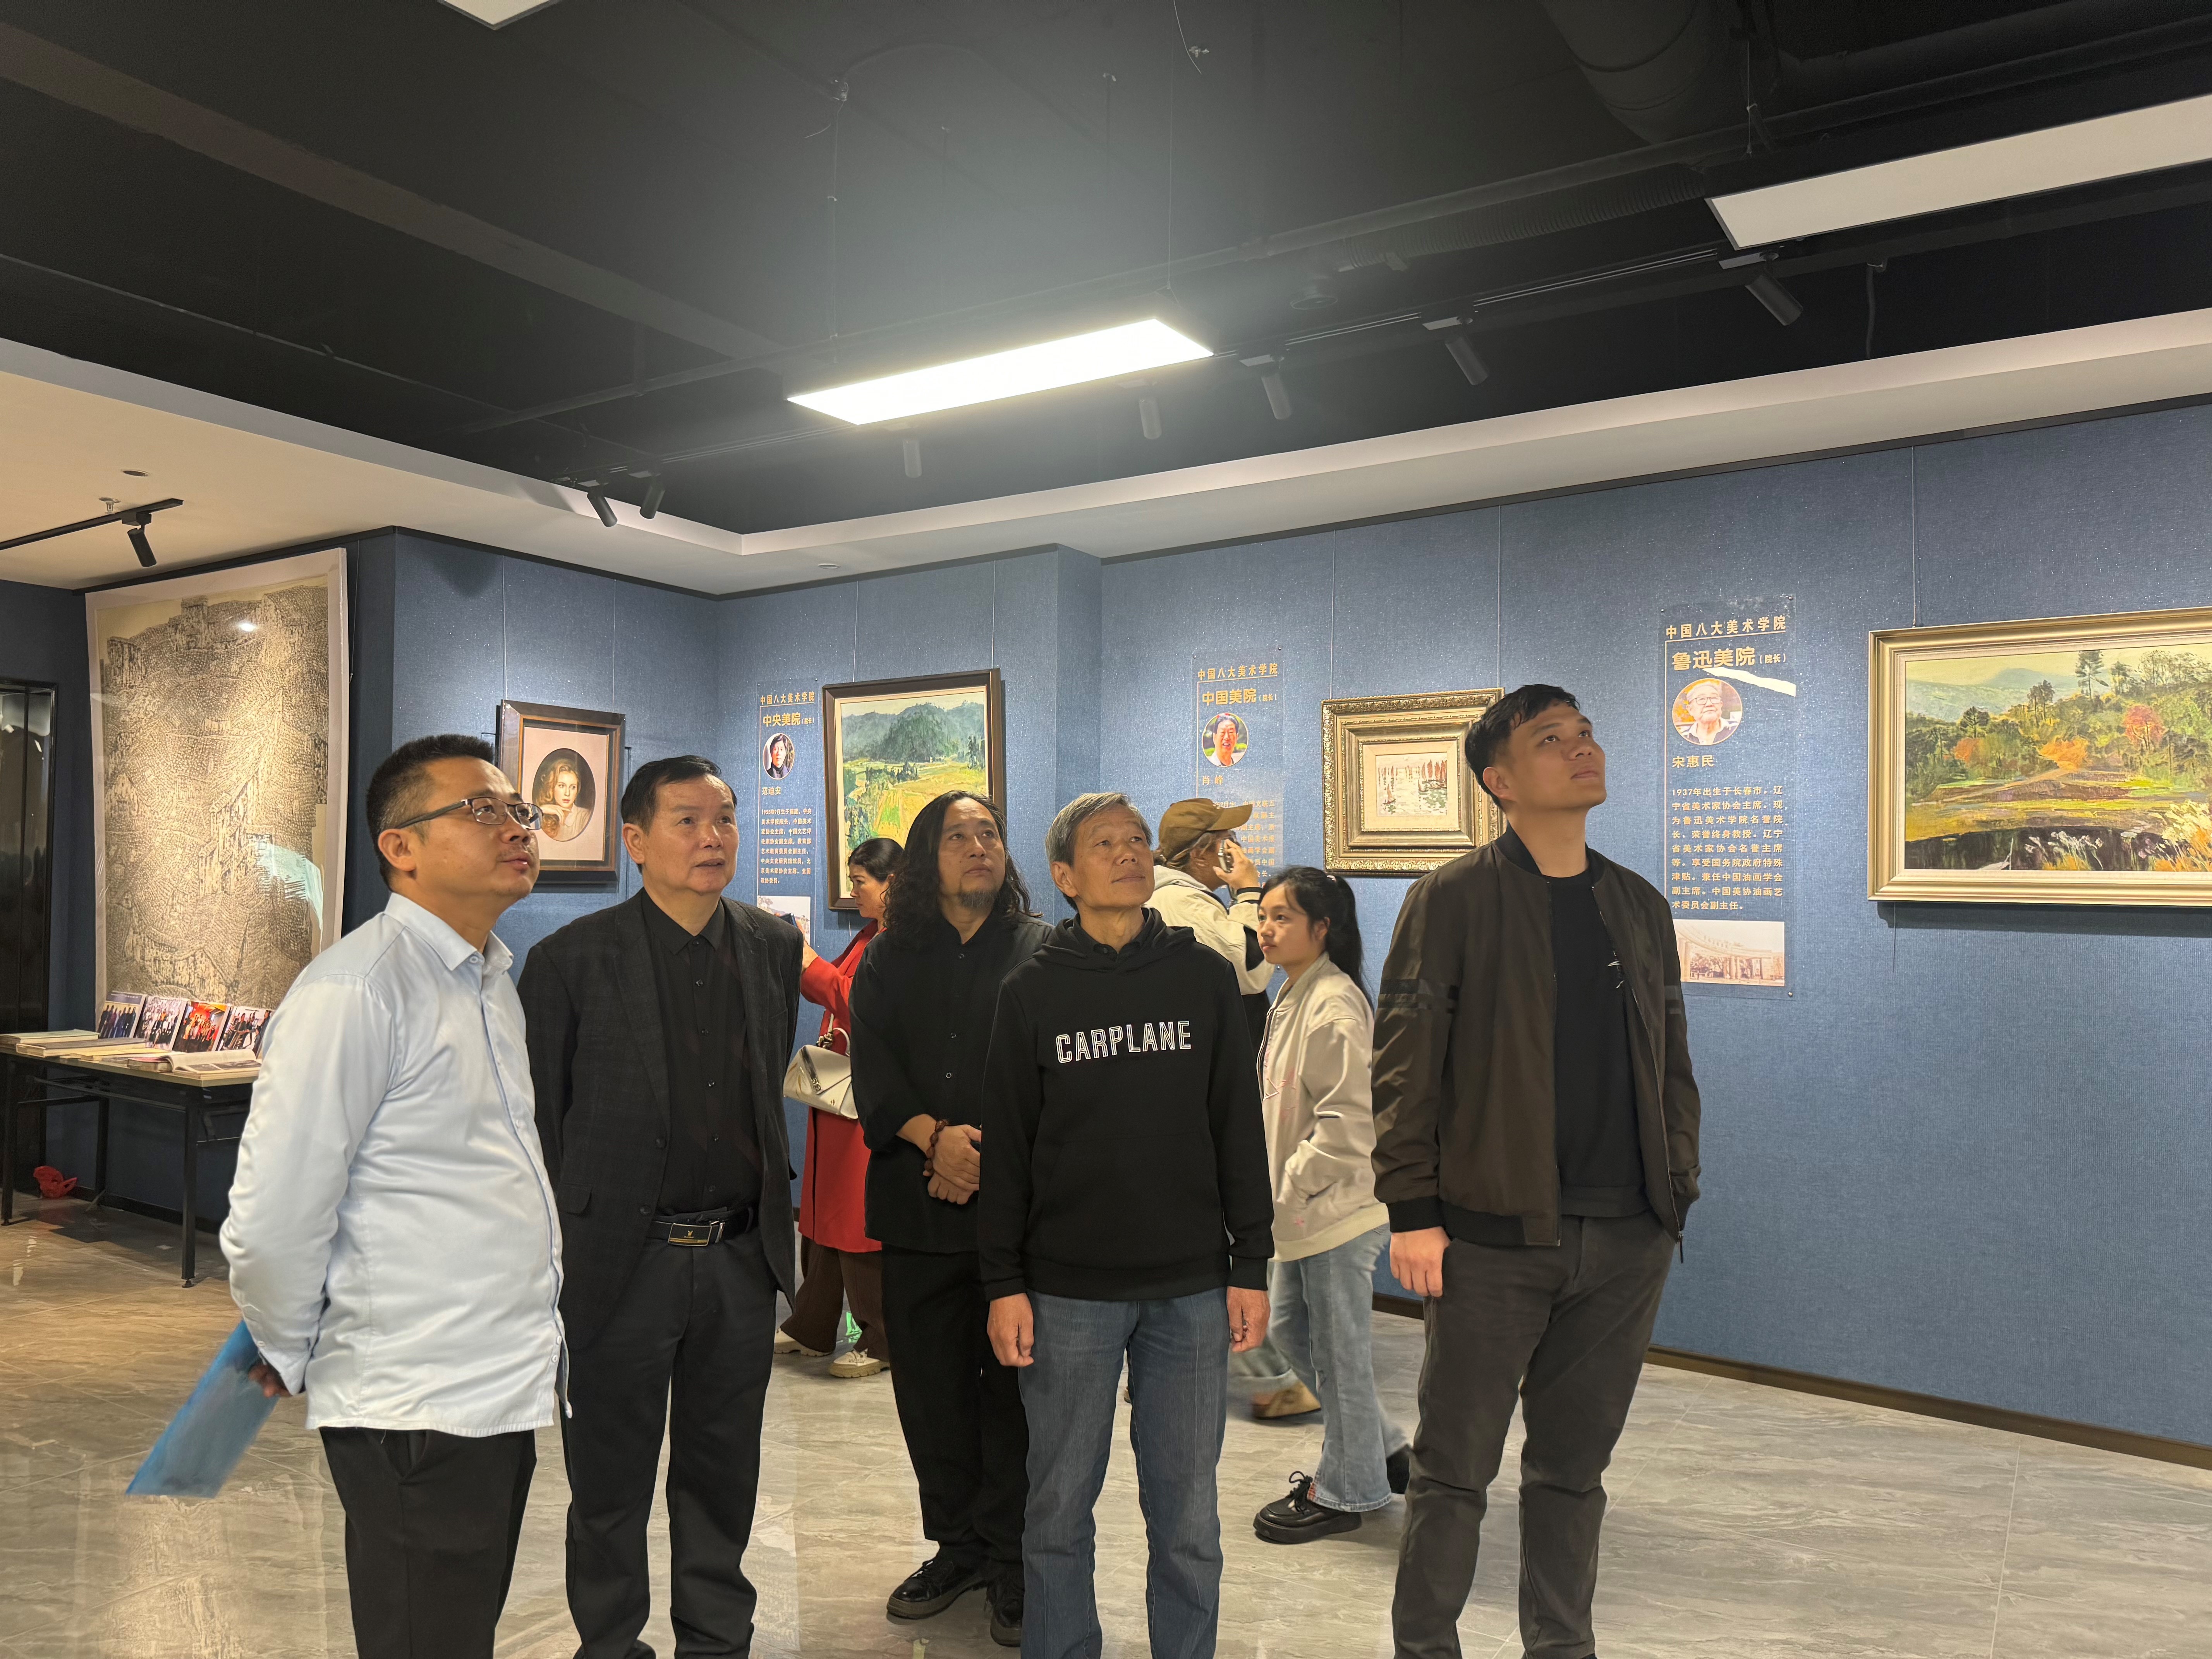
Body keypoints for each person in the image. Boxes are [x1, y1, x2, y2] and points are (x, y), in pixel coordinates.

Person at [1374, 687, 1704, 1659]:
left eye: (1586, 733)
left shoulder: (1637, 904)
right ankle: (1425, 1648)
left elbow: (1672, 1060)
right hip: (1492, 1235)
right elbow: (1404, 1064)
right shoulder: (1454, 898)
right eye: (1552, 739)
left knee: (1573, 1474)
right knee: (1453, 1471)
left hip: (1627, 1236)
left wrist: (1675, 1189)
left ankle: (1562, 1646)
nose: (1581, 749)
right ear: (1501, 782)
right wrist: (1413, 1210)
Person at [223, 734, 556, 1659]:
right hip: (413, 1396)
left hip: (494, 1385)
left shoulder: (489, 979)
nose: (516, 828)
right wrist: (292, 1348)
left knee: (456, 1632)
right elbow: (275, 1215)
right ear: (400, 847)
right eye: (482, 811)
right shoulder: (357, 990)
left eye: (520, 810)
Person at [518, 754, 804, 1659]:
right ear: (636, 841)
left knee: (724, 1473)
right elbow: (541, 1124)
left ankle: (716, 1640)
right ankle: (611, 1643)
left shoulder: (771, 945)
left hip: (739, 1258)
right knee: (610, 1481)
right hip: (620, 1259)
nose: (712, 838)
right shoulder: (571, 961)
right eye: (688, 821)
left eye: (725, 820)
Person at [981, 791, 1274, 1659]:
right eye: (1105, 843)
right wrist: (1003, 1282)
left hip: (1190, 1287)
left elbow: (1237, 1124)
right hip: (1066, 1289)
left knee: (1187, 1516)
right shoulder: (1031, 990)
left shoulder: (1201, 976)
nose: (1128, 853)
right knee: (1057, 1509)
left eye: (1138, 840)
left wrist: (1251, 1262)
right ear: (1065, 876)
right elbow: (1009, 1151)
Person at [848, 790, 1050, 1648]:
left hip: (1020, 1217)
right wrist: (937, 1139)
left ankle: (1013, 1559)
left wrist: (982, 1155)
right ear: (926, 859)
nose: (978, 846)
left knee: (1013, 1392)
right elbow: (873, 1072)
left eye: (990, 834)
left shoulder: (1043, 951)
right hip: (916, 1206)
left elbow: (1054, 1077)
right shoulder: (889, 958)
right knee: (930, 1391)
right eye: (958, 836)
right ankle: (958, 1546)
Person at [1248, 866, 1412, 1544]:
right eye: (1263, 915)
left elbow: (1349, 1125)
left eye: (1282, 917)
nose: (1266, 928)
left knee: (1338, 1354)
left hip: (1336, 1211)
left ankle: (1349, 1490)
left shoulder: (1335, 1004)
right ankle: (1385, 1449)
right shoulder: (1294, 992)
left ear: (1323, 928)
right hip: (1304, 1214)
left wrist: (1289, 1185)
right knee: (1292, 1331)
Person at [1149, 798, 1314, 1425]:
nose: (1236, 849)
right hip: (1200, 1087)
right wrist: (1248, 890)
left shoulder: (1178, 898)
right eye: (1226, 841)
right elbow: (1250, 968)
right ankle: (1270, 1377)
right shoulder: (1182, 903)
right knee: (1223, 1223)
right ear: (1203, 852)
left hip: (1191, 1083)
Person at [777, 835, 902, 1376]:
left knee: (855, 1220)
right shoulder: (871, 935)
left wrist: (806, 960)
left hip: (866, 1097)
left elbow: (856, 1000)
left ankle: (880, 1337)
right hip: (840, 1092)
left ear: (893, 884)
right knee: (825, 1214)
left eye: (861, 883)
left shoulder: (902, 942)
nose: (854, 893)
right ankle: (812, 1324)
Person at [538, 756, 591, 842]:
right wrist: (541, 810)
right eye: (562, 786)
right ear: (552, 787)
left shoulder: (585, 817)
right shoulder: (543, 815)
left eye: (573, 787)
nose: (568, 793)